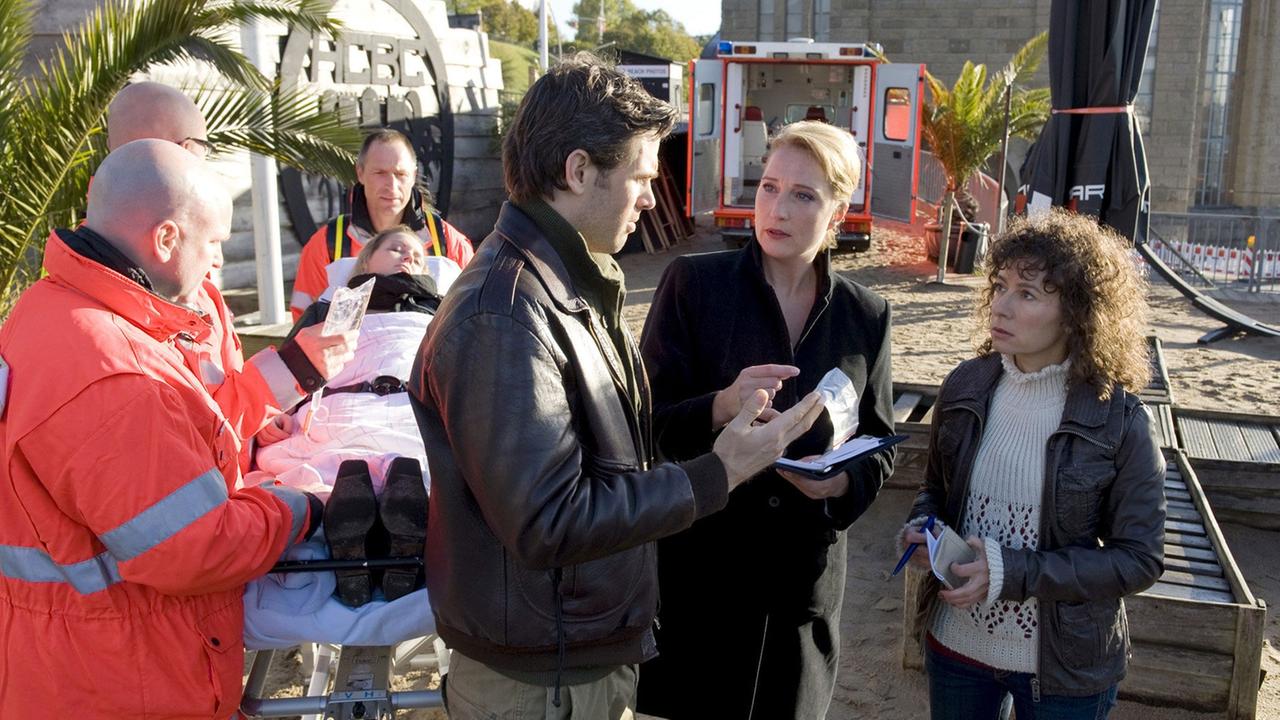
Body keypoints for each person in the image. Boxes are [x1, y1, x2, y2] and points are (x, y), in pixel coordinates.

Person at [408, 54, 826, 719]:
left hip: (570, 661)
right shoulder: (505, 314)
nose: (653, 199)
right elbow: (549, 521)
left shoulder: (562, 284)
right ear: (578, 171)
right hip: (543, 683)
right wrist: (717, 473)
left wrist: (717, 409)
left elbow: (605, 445)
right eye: (640, 177)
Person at [0, 140, 349, 718]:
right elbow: (194, 548)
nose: (217, 261)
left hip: (65, 663)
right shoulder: (115, 373)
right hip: (121, 679)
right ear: (166, 239)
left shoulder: (47, 311)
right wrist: (297, 507)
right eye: (213, 242)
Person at [635, 120, 896, 719]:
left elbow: (882, 441)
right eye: (769, 186)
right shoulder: (693, 286)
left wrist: (842, 483)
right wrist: (720, 405)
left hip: (801, 591)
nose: (777, 207)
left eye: (803, 195)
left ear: (837, 213)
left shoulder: (867, 314)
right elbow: (644, 424)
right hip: (703, 581)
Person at [900, 209, 1166, 720]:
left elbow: (1140, 558)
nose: (1001, 305)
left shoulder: (1121, 420)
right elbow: (936, 488)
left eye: (1028, 293)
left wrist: (1013, 571)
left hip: (1065, 666)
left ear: (1077, 313)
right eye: (999, 286)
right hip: (956, 645)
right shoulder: (964, 387)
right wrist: (925, 528)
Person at [105, 80, 357, 445]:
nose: (219, 261)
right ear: (185, 151)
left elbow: (220, 399)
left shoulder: (104, 276)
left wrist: (257, 430)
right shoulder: (133, 305)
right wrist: (297, 368)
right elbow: (195, 439)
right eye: (213, 243)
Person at [254, 227, 445, 606]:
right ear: (365, 261)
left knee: (410, 455)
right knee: (408, 469)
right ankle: (395, 540)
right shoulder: (332, 310)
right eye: (395, 248)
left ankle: (356, 533)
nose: (408, 257)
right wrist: (275, 416)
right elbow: (291, 372)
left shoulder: (441, 311)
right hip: (339, 405)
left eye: (418, 257)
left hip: (410, 405)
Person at [291, 128, 474, 320]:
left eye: (400, 173)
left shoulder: (448, 241)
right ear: (360, 173)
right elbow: (304, 324)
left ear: (414, 175)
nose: (391, 185)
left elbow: (475, 313)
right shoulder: (326, 245)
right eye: (380, 173)